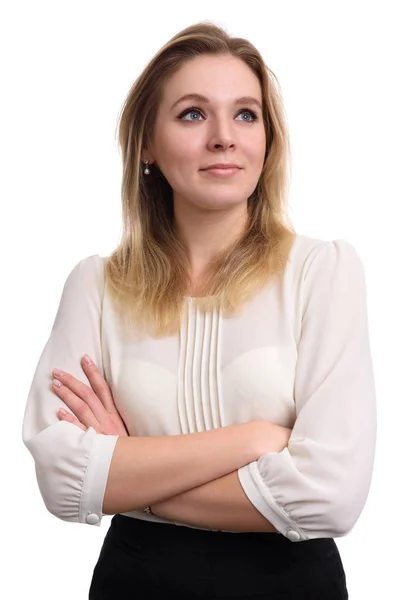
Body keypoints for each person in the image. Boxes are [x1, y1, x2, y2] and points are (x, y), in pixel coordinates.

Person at [22, 21, 376, 599]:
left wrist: (126, 472)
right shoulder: (96, 286)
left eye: (245, 114)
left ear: (268, 136)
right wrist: (255, 438)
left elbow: (331, 494)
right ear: (146, 143)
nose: (223, 137)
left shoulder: (323, 272)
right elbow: (61, 481)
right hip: (134, 584)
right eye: (192, 113)